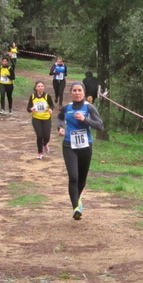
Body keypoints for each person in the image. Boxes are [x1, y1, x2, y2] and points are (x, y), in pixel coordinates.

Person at [57, 82, 104, 220]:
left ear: (83, 92)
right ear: (71, 93)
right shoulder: (67, 108)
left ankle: (77, 199)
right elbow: (59, 119)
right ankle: (76, 207)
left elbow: (100, 125)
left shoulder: (89, 108)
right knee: (73, 177)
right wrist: (60, 128)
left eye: (79, 90)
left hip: (85, 146)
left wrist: (85, 119)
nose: (77, 93)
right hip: (69, 145)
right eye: (74, 90)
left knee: (82, 179)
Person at [27, 80, 54, 159]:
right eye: (38, 86)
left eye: (42, 86)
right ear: (35, 88)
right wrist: (31, 109)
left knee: (47, 136)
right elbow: (28, 109)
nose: (40, 88)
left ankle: (45, 144)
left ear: (44, 87)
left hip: (46, 118)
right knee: (39, 135)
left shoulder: (47, 96)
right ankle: (40, 152)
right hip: (36, 118)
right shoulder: (32, 96)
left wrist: (50, 109)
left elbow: (52, 105)